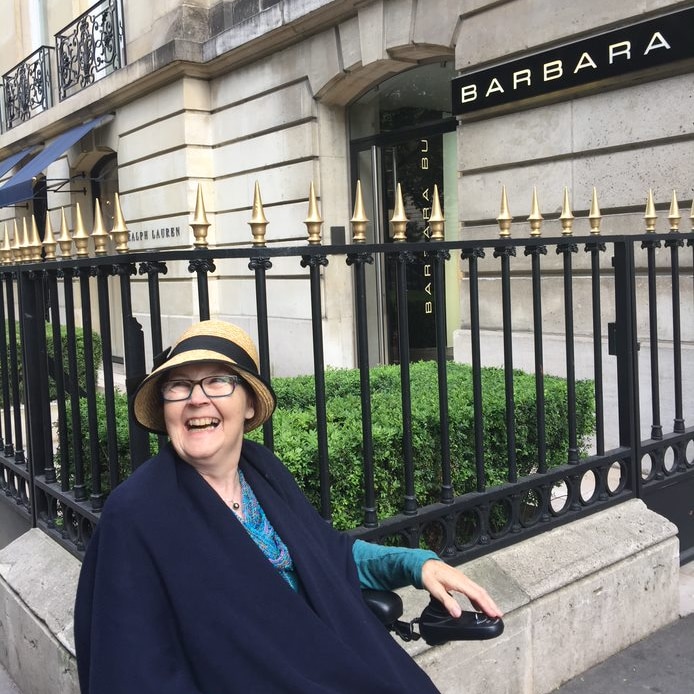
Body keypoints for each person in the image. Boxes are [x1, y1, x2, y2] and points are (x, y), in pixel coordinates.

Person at [74, 320, 502, 694]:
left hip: (332, 667)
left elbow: (327, 554)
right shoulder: (137, 513)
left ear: (250, 405)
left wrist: (416, 565)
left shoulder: (261, 470)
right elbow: (134, 672)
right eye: (179, 385)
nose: (196, 399)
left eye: (219, 381)